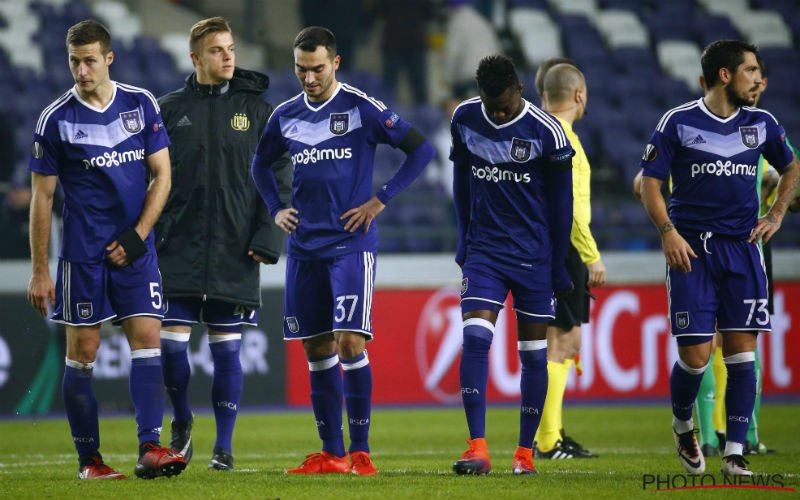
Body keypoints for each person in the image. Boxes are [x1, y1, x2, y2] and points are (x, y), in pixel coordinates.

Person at [251, 26, 434, 475]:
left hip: (350, 245)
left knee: (349, 340)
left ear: (335, 62)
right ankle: (332, 453)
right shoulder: (286, 114)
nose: (308, 78)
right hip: (304, 247)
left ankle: (362, 451)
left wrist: (380, 199)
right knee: (316, 349)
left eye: (316, 69)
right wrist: (276, 207)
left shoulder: (360, 106)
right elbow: (259, 162)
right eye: (300, 69)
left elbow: (421, 149)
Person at [26, 19, 186, 480]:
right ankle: (90, 462)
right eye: (74, 61)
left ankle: (150, 448)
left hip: (136, 250)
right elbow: (42, 198)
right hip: (83, 255)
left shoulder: (140, 104)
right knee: (84, 350)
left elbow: (163, 175)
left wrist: (138, 235)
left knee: (148, 341)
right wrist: (40, 270)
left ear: (109, 58)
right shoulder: (55, 119)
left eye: (90, 60)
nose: (81, 70)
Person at [639, 40, 799, 476]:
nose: (760, 80)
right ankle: (683, 423)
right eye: (751, 71)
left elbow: (791, 168)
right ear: (725, 75)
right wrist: (668, 232)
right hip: (692, 248)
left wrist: (777, 212)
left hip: (743, 248)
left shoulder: (763, 123)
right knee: (696, 356)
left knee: (742, 352)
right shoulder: (679, 122)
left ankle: (733, 452)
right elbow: (649, 184)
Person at [155, 17, 291, 472]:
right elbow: (147, 178)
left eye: (231, 47)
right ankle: (182, 421)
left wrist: (268, 236)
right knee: (171, 347)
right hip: (177, 249)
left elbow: (281, 176)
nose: (228, 56)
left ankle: (224, 448)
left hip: (236, 249)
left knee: (226, 350)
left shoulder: (257, 111)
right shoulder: (168, 109)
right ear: (195, 58)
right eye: (217, 50)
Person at [450, 54, 574, 475]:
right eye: (491, 106)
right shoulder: (466, 118)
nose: (498, 113)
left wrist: (558, 265)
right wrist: (464, 240)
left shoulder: (549, 132)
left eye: (504, 105)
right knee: (475, 340)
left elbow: (562, 204)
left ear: (520, 89)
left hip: (534, 257)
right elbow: (460, 181)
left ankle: (524, 454)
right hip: (485, 252)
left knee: (533, 356)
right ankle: (477, 448)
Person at [532, 61, 605, 460]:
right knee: (560, 342)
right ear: (579, 95)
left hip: (544, 248)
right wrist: (592, 256)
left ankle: (554, 432)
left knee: (565, 340)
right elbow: (573, 208)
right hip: (565, 250)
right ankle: (547, 440)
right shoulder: (566, 141)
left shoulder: (537, 134)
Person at [444, 0, 501, 98]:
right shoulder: (481, 20)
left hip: (471, 81)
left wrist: (447, 80)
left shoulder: (456, 23)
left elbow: (452, 55)